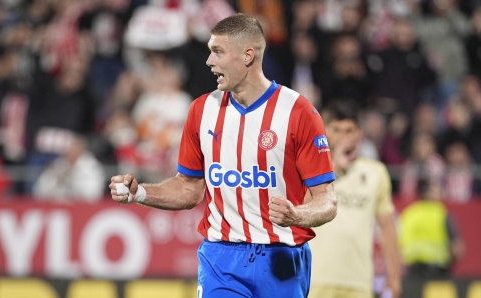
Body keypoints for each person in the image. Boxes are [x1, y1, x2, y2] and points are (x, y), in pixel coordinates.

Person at [110, 13, 338, 298]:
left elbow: (327, 200)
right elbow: (189, 189)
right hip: (221, 258)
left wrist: (297, 214)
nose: (209, 61)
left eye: (217, 52)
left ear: (247, 56)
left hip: (283, 259)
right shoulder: (201, 111)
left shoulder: (298, 112)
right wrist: (140, 192)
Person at [308, 100, 402, 298]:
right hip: (314, 278)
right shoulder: (309, 168)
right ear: (324, 131)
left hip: (358, 281)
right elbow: (297, 203)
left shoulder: (376, 172)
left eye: (350, 130)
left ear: (359, 133)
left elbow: (386, 226)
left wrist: (394, 275)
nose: (344, 136)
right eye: (337, 129)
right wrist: (333, 167)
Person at [399, 179, 464, 279]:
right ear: (428, 193)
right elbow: (457, 250)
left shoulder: (408, 213)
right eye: (437, 190)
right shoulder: (442, 214)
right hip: (439, 272)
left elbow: (398, 243)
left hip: (413, 273)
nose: (441, 193)